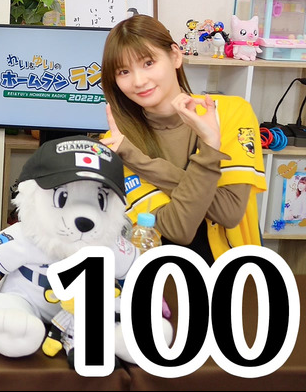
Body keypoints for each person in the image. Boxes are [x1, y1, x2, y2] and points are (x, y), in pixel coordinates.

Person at [99, 14, 266, 265]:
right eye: (124, 71)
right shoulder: (118, 141)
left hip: (233, 272)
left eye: (148, 62)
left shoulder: (231, 113)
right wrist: (209, 155)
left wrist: (141, 161)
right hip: (160, 274)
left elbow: (229, 212)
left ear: (175, 56)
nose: (139, 81)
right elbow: (178, 230)